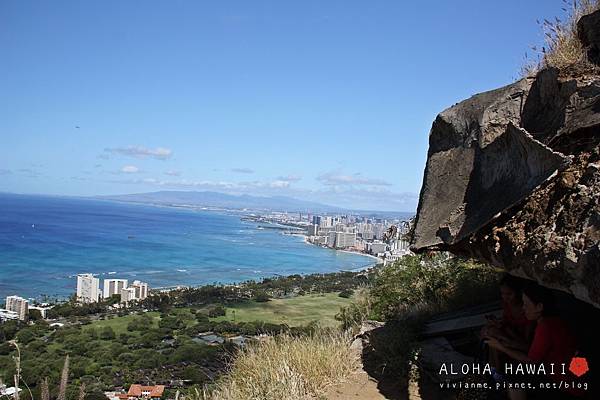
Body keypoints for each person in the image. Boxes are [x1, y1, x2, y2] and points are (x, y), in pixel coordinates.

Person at [485, 282, 583, 399]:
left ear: (539, 307)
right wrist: (508, 343)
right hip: (571, 376)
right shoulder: (552, 320)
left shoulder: (545, 326)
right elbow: (534, 349)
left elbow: (531, 361)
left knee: (515, 374)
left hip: (565, 383)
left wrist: (501, 347)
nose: (524, 308)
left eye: (526, 304)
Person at [481, 275, 534, 370]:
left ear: (519, 293)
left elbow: (527, 343)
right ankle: (493, 369)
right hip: (509, 336)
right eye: (503, 294)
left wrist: (505, 340)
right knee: (488, 332)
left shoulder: (528, 310)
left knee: (494, 340)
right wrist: (499, 324)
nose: (505, 297)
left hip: (521, 343)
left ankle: (498, 372)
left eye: (509, 294)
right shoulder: (507, 305)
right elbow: (506, 322)